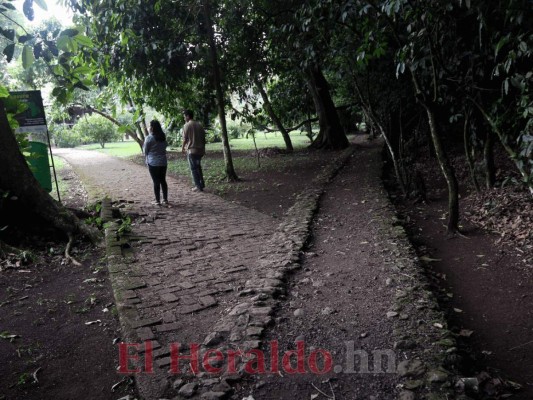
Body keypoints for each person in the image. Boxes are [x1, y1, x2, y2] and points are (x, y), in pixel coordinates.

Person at [143, 120, 168, 205]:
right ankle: (165, 199)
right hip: (163, 162)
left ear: (152, 127)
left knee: (156, 181)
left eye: (150, 126)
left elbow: (145, 151)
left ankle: (157, 200)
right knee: (163, 180)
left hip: (153, 162)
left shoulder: (149, 138)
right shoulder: (163, 137)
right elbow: (165, 147)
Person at [182, 109, 206, 192]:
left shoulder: (187, 125)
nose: (184, 118)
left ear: (188, 116)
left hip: (192, 150)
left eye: (184, 116)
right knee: (198, 167)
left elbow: (185, 139)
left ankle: (197, 186)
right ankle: (201, 184)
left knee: (193, 168)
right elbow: (203, 138)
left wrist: (182, 148)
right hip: (200, 150)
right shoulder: (199, 125)